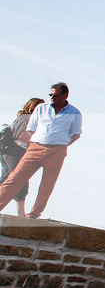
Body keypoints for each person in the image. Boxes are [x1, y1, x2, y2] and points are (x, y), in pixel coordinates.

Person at [0, 84, 81, 218]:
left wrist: (61, 145)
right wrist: (38, 142)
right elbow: (30, 129)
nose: (52, 97)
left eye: (55, 95)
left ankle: (34, 213)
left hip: (57, 151)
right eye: (51, 95)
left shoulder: (75, 113)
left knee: (47, 185)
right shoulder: (41, 108)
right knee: (14, 179)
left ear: (65, 95)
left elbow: (76, 134)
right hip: (35, 148)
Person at [0, 98, 42, 215]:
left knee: (6, 179)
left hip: (7, 152)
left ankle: (21, 213)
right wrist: (38, 142)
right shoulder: (29, 118)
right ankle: (21, 214)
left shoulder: (21, 117)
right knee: (20, 180)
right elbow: (21, 136)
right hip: (17, 151)